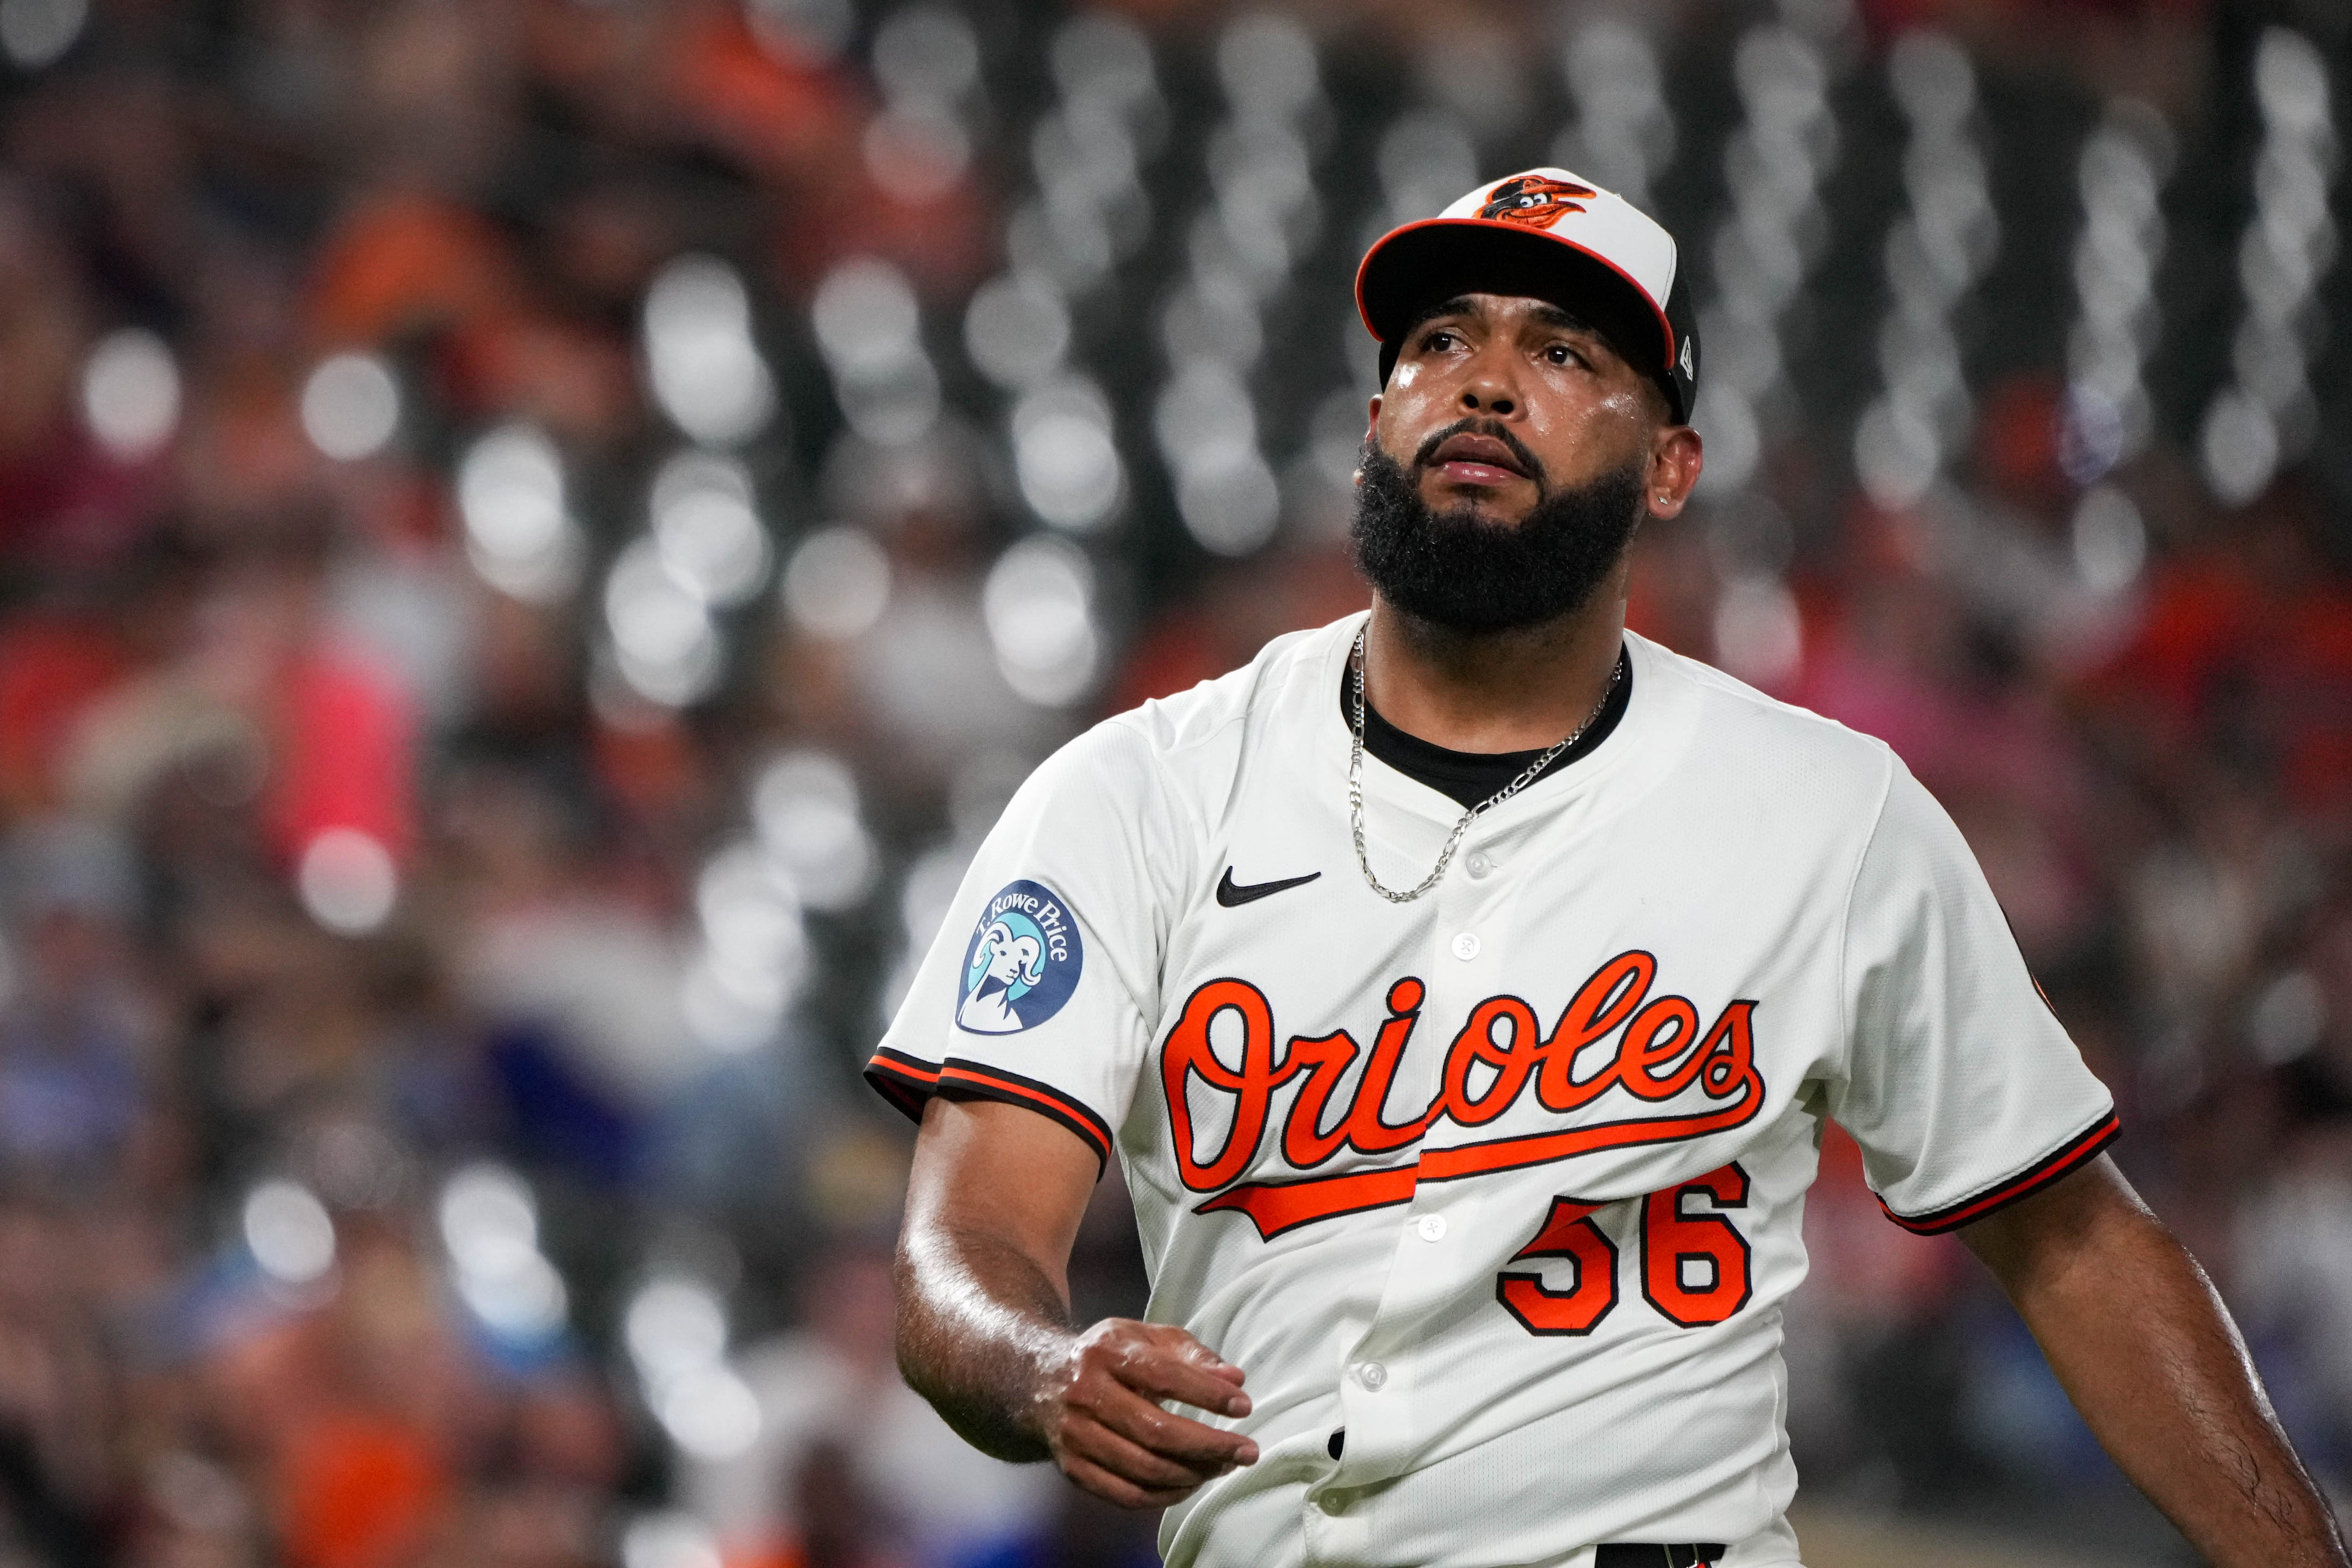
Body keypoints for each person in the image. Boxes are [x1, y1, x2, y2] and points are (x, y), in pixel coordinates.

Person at [866, 168, 2349, 1568]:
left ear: (1670, 468)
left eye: (1568, 353)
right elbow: (968, 1242)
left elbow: (2076, 1240)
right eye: (1439, 341)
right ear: (1376, 421)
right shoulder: (1137, 795)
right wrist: (1042, 1366)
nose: (1487, 379)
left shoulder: (1826, 815)